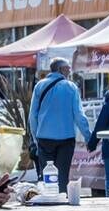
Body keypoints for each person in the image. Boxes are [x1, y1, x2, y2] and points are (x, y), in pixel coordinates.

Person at [28, 57, 92, 193]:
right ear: (61, 69)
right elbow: (79, 115)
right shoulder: (71, 87)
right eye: (68, 68)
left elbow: (32, 115)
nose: (69, 70)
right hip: (66, 138)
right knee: (62, 176)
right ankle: (62, 199)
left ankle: (48, 199)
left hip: (44, 138)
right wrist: (88, 137)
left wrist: (35, 138)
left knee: (47, 176)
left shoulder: (40, 86)